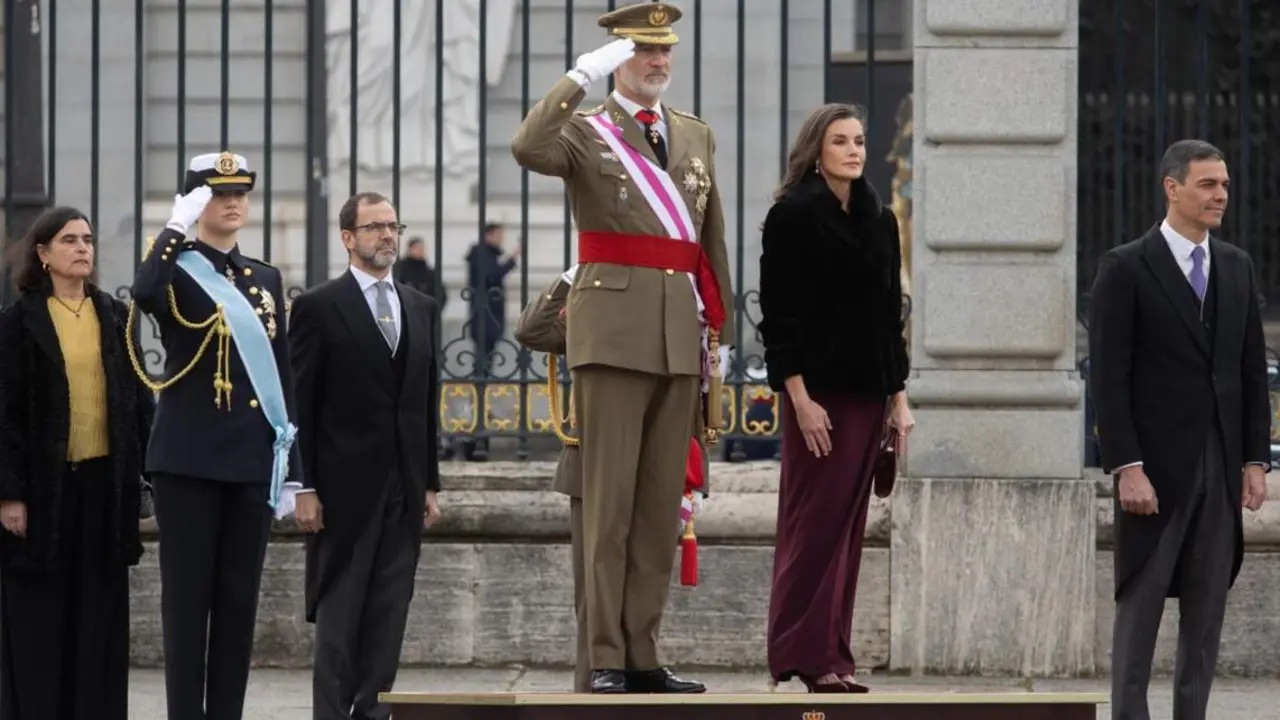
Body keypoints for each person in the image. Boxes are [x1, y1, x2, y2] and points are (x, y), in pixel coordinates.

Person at [511, 0, 733, 694]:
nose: (659, 63)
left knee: (659, 506)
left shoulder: (694, 134)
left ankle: (643, 652)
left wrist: (717, 335)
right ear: (618, 59)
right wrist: (581, 76)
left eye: (665, 52)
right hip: (610, 335)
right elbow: (527, 147)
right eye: (644, 52)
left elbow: (708, 241)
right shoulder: (584, 131)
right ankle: (604, 653)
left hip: (677, 336)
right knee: (606, 508)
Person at [1089, 139, 1269, 720]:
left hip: (1220, 467)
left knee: (1207, 609)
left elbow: (1247, 372)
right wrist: (1127, 466)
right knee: (1140, 608)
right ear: (1173, 188)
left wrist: (1254, 461)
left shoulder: (1237, 266)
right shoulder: (1125, 267)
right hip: (1155, 470)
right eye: (1208, 184)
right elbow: (1109, 379)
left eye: (1224, 184)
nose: (1221, 195)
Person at [129, 151, 303, 720]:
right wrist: (176, 225)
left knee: (237, 606)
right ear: (197, 201)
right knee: (185, 607)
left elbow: (281, 376)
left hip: (250, 461)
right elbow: (145, 292)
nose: (231, 202)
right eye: (216, 193)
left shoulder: (266, 278)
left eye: (239, 193)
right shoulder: (175, 267)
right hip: (189, 460)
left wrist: (291, 471)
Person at [758, 104, 912, 693]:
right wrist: (798, 398)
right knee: (812, 526)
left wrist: (899, 398)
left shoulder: (879, 218)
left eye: (860, 140)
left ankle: (832, 659)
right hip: (818, 398)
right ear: (816, 150)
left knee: (847, 533)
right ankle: (798, 652)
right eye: (840, 141)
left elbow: (888, 317)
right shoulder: (791, 216)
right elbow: (780, 318)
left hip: (869, 395)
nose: (854, 150)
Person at [512, 267, 711, 694]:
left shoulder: (670, 290)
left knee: (646, 574)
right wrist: (573, 276)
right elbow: (532, 330)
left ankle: (643, 664)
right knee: (596, 595)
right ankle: (594, 692)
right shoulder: (594, 287)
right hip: (597, 462)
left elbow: (691, 380)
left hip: (653, 464)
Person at [286, 191, 443, 720]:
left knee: (389, 614)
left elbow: (425, 403)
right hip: (342, 491)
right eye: (374, 227)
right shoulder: (319, 306)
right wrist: (301, 485)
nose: (387, 236)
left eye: (393, 226)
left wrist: (429, 483)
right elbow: (299, 403)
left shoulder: (421, 308)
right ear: (348, 238)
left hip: (404, 487)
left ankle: (374, 713)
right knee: (340, 617)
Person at [0, 207, 153, 720]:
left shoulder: (114, 315)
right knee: (41, 613)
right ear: (43, 254)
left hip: (103, 488)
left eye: (87, 239)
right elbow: (5, 413)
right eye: (69, 240)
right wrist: (10, 493)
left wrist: (149, 476)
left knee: (98, 614)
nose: (83, 248)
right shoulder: (19, 322)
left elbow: (138, 403)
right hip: (42, 493)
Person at [393, 236, 447, 311]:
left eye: (422, 249)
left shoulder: (429, 272)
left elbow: (440, 295)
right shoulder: (399, 269)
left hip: (424, 313)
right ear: (409, 249)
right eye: (416, 248)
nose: (419, 251)